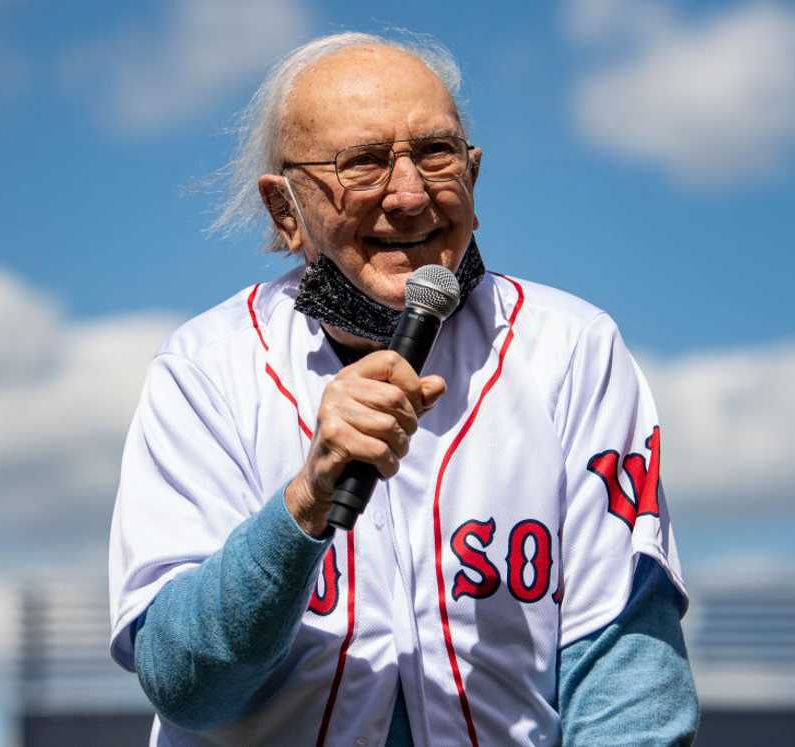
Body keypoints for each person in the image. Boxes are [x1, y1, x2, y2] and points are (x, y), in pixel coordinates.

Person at [108, 31, 699, 746]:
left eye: (436, 154)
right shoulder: (206, 369)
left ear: (474, 180)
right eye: (361, 164)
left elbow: (628, 680)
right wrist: (305, 503)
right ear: (285, 210)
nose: (411, 195)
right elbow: (183, 682)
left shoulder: (570, 350)